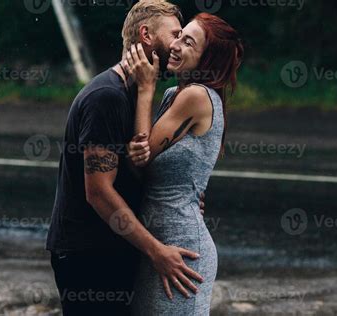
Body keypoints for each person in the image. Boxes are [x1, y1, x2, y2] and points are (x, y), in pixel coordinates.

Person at [45, 1, 207, 315]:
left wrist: (182, 197)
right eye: (174, 34)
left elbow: (136, 172)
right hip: (88, 254)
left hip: (114, 247)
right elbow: (99, 192)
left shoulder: (136, 94)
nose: (177, 44)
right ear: (146, 34)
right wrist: (157, 251)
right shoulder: (106, 97)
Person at [124, 13, 244, 315]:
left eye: (188, 42)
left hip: (181, 249)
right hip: (158, 244)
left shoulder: (197, 97)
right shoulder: (174, 95)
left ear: (206, 59)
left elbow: (142, 155)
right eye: (179, 35)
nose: (175, 45)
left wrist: (145, 88)